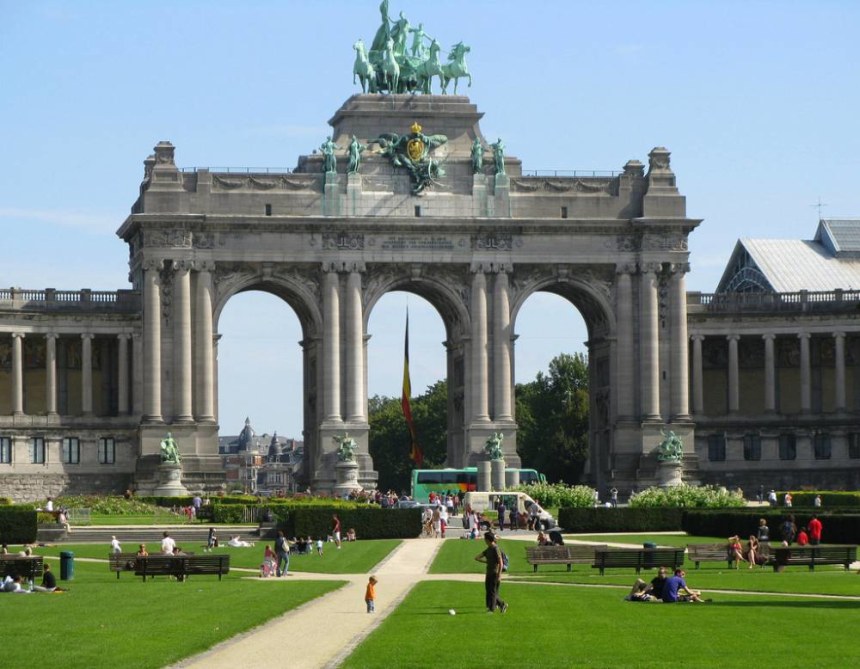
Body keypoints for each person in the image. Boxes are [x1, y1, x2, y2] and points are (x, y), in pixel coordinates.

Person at [474, 531, 508, 614]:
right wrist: (487, 562)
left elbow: (501, 562)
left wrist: (499, 574)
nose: (484, 541)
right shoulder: (488, 549)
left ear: (488, 540)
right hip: (489, 572)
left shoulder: (495, 549)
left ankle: (492, 609)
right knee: (489, 591)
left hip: (494, 573)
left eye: (485, 539)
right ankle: (501, 605)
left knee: (492, 591)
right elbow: (477, 557)